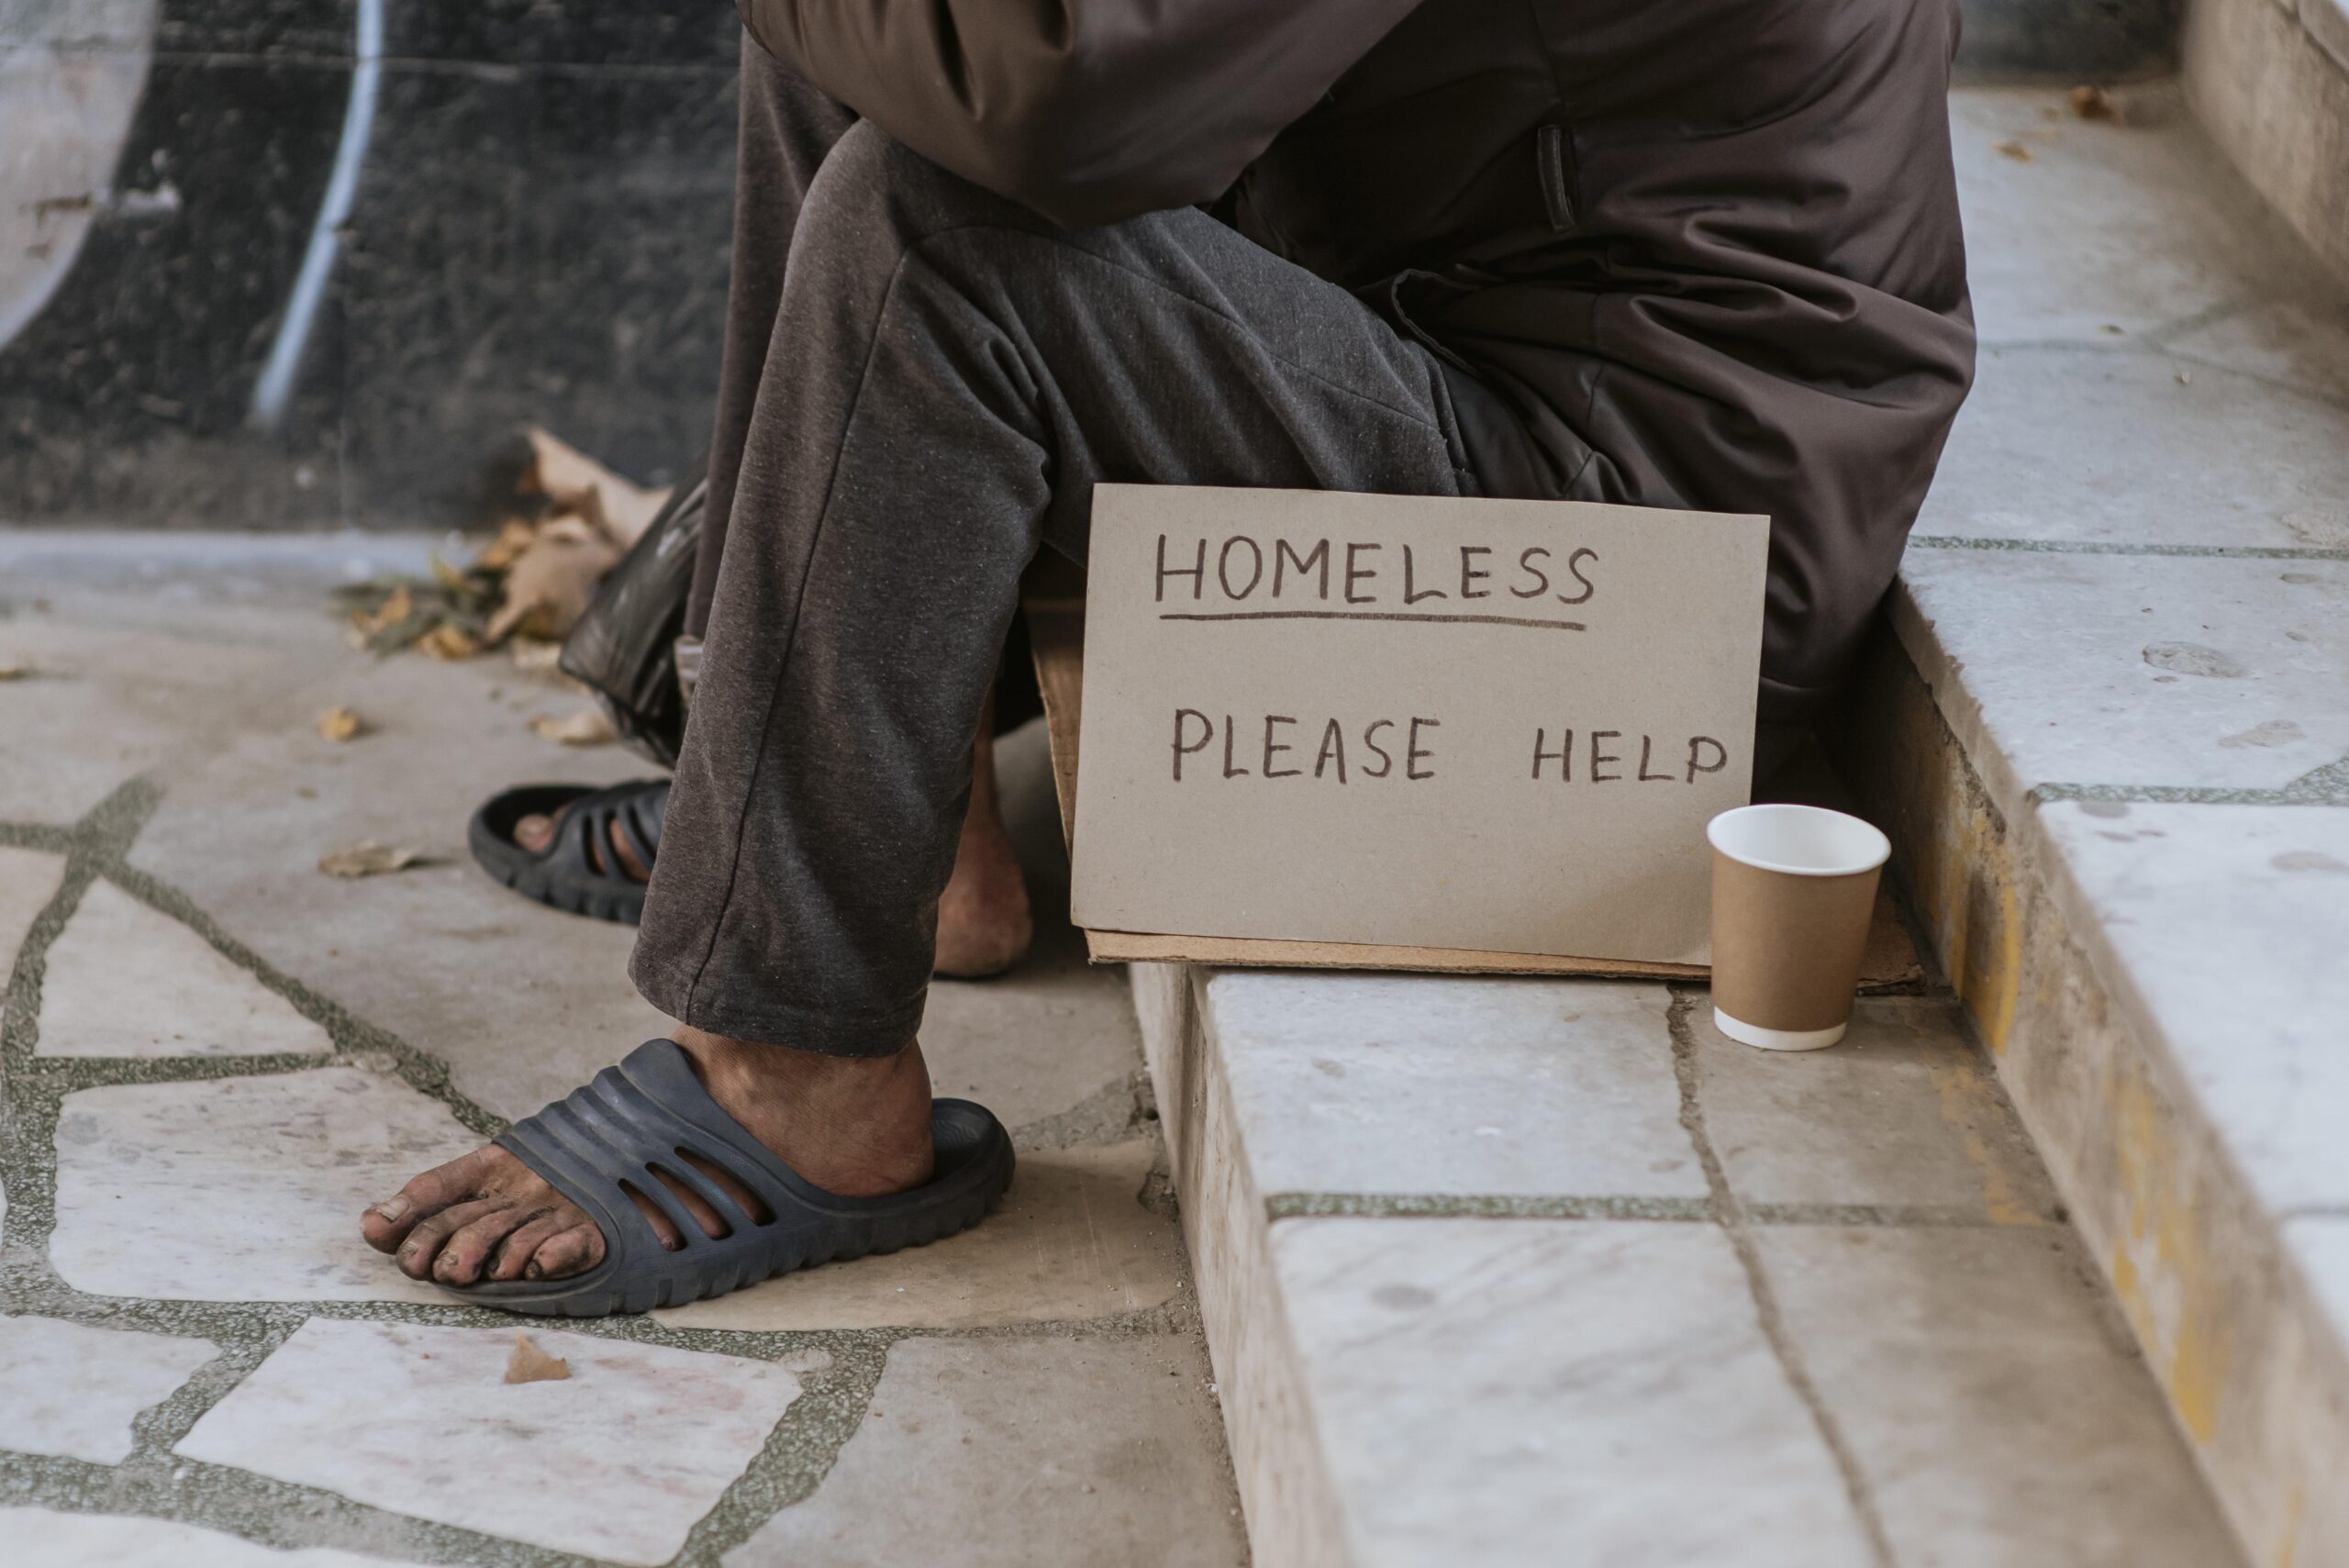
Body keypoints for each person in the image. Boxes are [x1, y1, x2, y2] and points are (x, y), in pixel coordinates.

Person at [362, 0, 1975, 1315]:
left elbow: (1070, 94)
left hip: (1639, 565)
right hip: (1507, 345)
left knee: (935, 216)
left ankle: (799, 1064)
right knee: (856, 50)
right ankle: (900, 844)